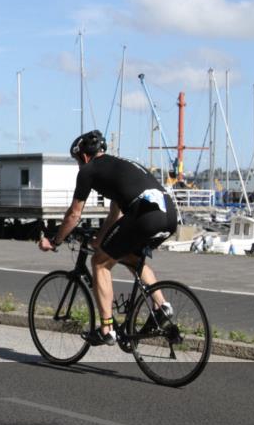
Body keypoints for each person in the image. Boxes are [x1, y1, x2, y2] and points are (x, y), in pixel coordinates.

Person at [38, 130, 177, 346]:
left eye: (77, 161)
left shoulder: (88, 170)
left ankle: (106, 329)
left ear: (84, 156)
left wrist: (55, 241)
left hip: (145, 216)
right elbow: (114, 215)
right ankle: (162, 307)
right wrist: (99, 240)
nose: (78, 166)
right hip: (169, 215)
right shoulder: (120, 166)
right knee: (130, 257)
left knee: (99, 263)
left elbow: (74, 215)